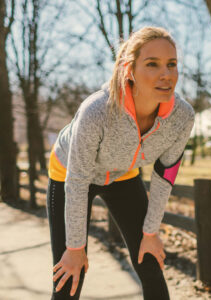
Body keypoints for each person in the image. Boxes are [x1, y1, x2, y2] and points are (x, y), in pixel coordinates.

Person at [46, 26, 195, 300]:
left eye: (171, 64)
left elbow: (165, 177)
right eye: (152, 64)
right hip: (71, 173)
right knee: (70, 274)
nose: (166, 74)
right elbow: (77, 180)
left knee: (149, 260)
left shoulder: (182, 117)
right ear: (130, 69)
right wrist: (75, 248)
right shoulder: (97, 111)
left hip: (122, 175)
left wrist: (150, 232)